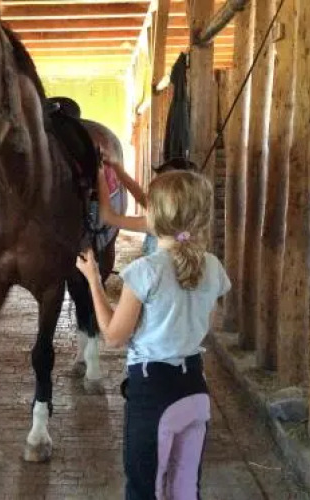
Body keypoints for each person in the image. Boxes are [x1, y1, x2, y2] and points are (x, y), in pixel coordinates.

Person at [76, 170, 231, 499]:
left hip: (154, 392)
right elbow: (205, 325)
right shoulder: (214, 267)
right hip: (195, 389)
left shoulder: (145, 271)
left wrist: (93, 279)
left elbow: (113, 337)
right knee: (186, 490)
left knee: (145, 491)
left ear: (155, 216)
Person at [98, 158, 199, 255]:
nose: (151, 190)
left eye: (157, 189)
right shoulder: (183, 219)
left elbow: (108, 217)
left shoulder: (155, 223)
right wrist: (116, 166)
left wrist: (101, 177)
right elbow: (140, 196)